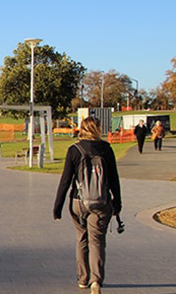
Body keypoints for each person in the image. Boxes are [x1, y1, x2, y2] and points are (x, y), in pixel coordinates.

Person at [53, 116, 122, 294]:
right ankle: (96, 281)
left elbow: (65, 180)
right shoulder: (106, 149)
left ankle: (83, 278)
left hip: (78, 202)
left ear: (82, 129)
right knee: (97, 241)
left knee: (81, 239)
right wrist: (117, 202)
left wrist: (58, 207)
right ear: (97, 129)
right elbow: (114, 179)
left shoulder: (74, 150)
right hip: (101, 202)